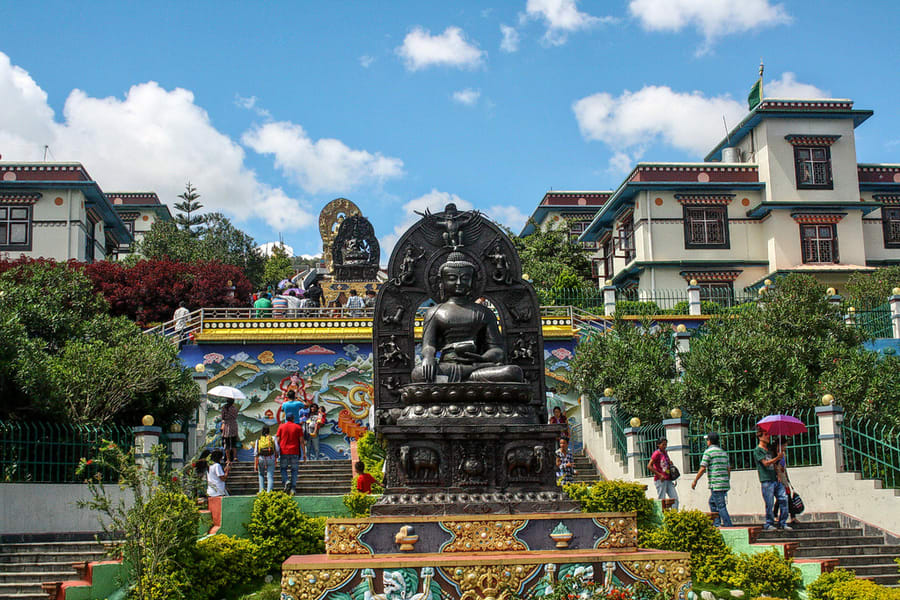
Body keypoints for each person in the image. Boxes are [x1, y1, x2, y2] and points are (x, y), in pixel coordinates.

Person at [411, 252, 523, 383]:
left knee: (512, 372)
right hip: (447, 365)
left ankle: (459, 381)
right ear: (442, 281)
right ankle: (468, 381)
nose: (459, 282)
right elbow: (428, 345)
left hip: (476, 366)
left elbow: (497, 350)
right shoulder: (434, 312)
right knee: (418, 373)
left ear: (473, 281)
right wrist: (429, 356)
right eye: (452, 278)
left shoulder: (484, 313)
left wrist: (482, 358)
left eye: (465, 278)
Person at [691, 432, 732, 527]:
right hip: (724, 483)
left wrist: (695, 481)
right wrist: (727, 480)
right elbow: (728, 468)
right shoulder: (723, 452)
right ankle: (716, 523)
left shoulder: (708, 452)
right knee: (712, 502)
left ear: (710, 441)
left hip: (716, 484)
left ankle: (728, 526)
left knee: (721, 506)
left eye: (707, 440)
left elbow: (703, 468)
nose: (707, 442)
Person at [755, 429, 790, 531]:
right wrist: (776, 458)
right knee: (769, 503)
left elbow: (774, 464)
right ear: (760, 437)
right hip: (766, 480)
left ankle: (782, 522)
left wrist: (778, 473)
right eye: (766, 435)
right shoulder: (758, 450)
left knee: (784, 499)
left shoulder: (769, 450)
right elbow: (765, 463)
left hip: (775, 479)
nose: (768, 437)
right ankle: (769, 523)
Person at [774, 436, 800, 526]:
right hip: (779, 478)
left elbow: (784, 467)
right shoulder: (775, 455)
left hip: (784, 478)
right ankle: (789, 516)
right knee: (784, 497)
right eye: (784, 445)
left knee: (786, 496)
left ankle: (791, 516)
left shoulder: (783, 454)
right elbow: (775, 467)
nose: (785, 447)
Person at [648, 438, 679, 510]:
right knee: (662, 500)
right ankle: (661, 517)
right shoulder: (656, 454)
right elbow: (649, 466)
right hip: (660, 480)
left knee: (675, 498)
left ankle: (674, 515)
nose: (665, 446)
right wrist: (659, 475)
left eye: (666, 444)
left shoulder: (665, 453)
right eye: (663, 444)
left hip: (668, 479)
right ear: (658, 445)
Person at [276, 414, 303, 494]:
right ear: (293, 418)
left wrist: (276, 452)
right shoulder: (298, 427)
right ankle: (293, 488)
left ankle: (286, 481)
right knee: (294, 470)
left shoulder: (281, 427)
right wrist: (304, 453)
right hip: (295, 451)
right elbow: (301, 441)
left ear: (286, 418)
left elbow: (277, 440)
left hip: (283, 451)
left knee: (283, 468)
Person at [254, 426, 279, 493]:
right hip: (271, 458)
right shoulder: (273, 438)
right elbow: (277, 449)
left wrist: (255, 464)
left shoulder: (258, 439)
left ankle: (261, 491)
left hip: (261, 459)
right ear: (269, 431)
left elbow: (256, 452)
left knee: (261, 475)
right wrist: (276, 456)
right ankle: (269, 492)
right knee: (270, 476)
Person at [220, 398, 240, 465]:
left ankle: (228, 459)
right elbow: (236, 416)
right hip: (233, 425)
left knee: (227, 443)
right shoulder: (234, 409)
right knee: (234, 443)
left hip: (227, 426)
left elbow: (222, 417)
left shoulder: (224, 408)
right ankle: (235, 457)